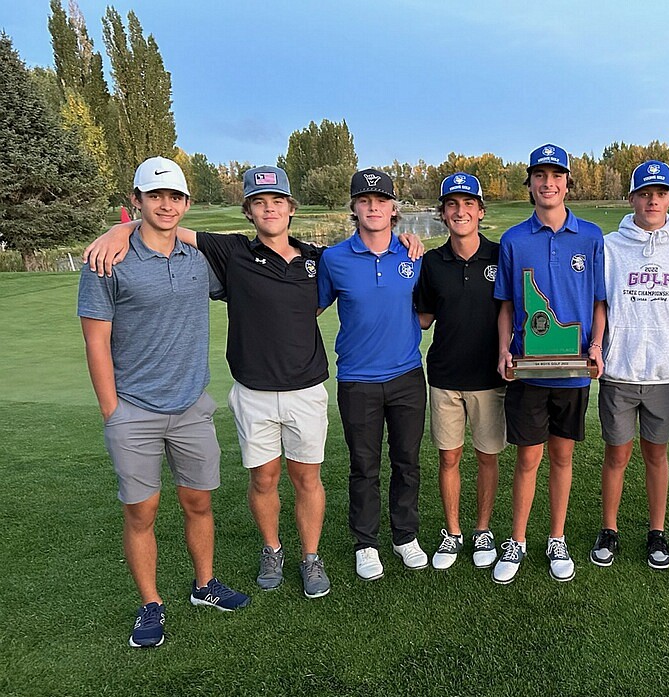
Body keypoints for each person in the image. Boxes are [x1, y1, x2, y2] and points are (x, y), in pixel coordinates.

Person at [84, 167, 424, 597]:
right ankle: (272, 549)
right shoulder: (231, 253)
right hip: (253, 392)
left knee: (307, 478)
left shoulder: (318, 259)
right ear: (248, 211)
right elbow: (168, 228)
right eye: (260, 202)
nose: (270, 209)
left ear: (290, 209)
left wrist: (408, 240)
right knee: (263, 479)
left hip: (306, 389)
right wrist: (124, 229)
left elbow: (336, 293)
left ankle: (311, 557)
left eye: (277, 201)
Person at [78, 157, 249, 649]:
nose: (165, 205)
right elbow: (95, 341)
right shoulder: (106, 260)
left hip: (192, 405)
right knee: (142, 512)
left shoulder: (199, 261)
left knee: (198, 501)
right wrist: (112, 411)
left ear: (187, 204)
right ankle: (151, 603)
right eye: (155, 196)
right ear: (137, 200)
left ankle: (205, 586)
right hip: (133, 408)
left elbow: (245, 267)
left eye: (174, 197)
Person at [493, 144, 606, 584]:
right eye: (539, 176)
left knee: (562, 457)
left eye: (556, 176)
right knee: (527, 459)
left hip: (574, 373)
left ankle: (555, 538)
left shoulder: (590, 236)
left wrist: (596, 345)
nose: (548, 183)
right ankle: (517, 540)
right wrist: (505, 349)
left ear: (567, 183)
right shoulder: (515, 240)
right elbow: (505, 305)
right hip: (529, 371)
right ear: (531, 185)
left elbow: (599, 301)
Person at [317, 169, 428, 581]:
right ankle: (366, 543)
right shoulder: (334, 259)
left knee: (407, 461)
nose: (373, 207)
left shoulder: (412, 255)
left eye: (381, 200)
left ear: (394, 207)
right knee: (364, 465)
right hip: (357, 379)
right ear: (354, 208)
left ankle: (405, 537)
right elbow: (310, 307)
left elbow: (427, 311)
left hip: (407, 375)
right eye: (365, 201)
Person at [589, 160, 669, 570]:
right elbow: (601, 301)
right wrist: (599, 345)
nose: (653, 200)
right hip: (619, 370)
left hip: (665, 372)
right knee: (616, 455)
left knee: (657, 455)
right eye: (644, 193)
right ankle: (610, 529)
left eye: (661, 193)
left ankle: (657, 532)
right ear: (632, 198)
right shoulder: (609, 245)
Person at [414, 173, 506, 570]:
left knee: (487, 457)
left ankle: (482, 530)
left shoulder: (502, 255)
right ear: (443, 214)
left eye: (469, 204)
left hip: (490, 376)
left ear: (481, 212)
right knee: (448, 459)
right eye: (452, 205)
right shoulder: (432, 262)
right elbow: (423, 319)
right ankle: (452, 532)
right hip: (445, 377)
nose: (460, 211)